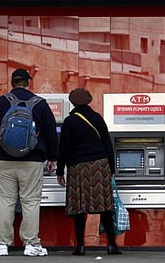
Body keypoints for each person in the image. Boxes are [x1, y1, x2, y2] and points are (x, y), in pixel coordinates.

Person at [0, 68, 58, 257]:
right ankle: (31, 244)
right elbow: (51, 133)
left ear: (12, 83)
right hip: (32, 161)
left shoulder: (0, 103)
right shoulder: (40, 104)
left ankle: (1, 245)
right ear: (28, 82)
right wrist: (52, 158)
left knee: (5, 201)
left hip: (3, 160)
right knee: (31, 201)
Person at [56, 88, 122, 256]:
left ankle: (80, 246)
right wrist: (111, 169)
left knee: (79, 208)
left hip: (78, 167)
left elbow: (63, 149)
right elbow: (108, 144)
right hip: (100, 166)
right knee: (105, 207)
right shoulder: (97, 118)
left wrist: (59, 171)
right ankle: (112, 245)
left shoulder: (70, 121)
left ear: (72, 102)